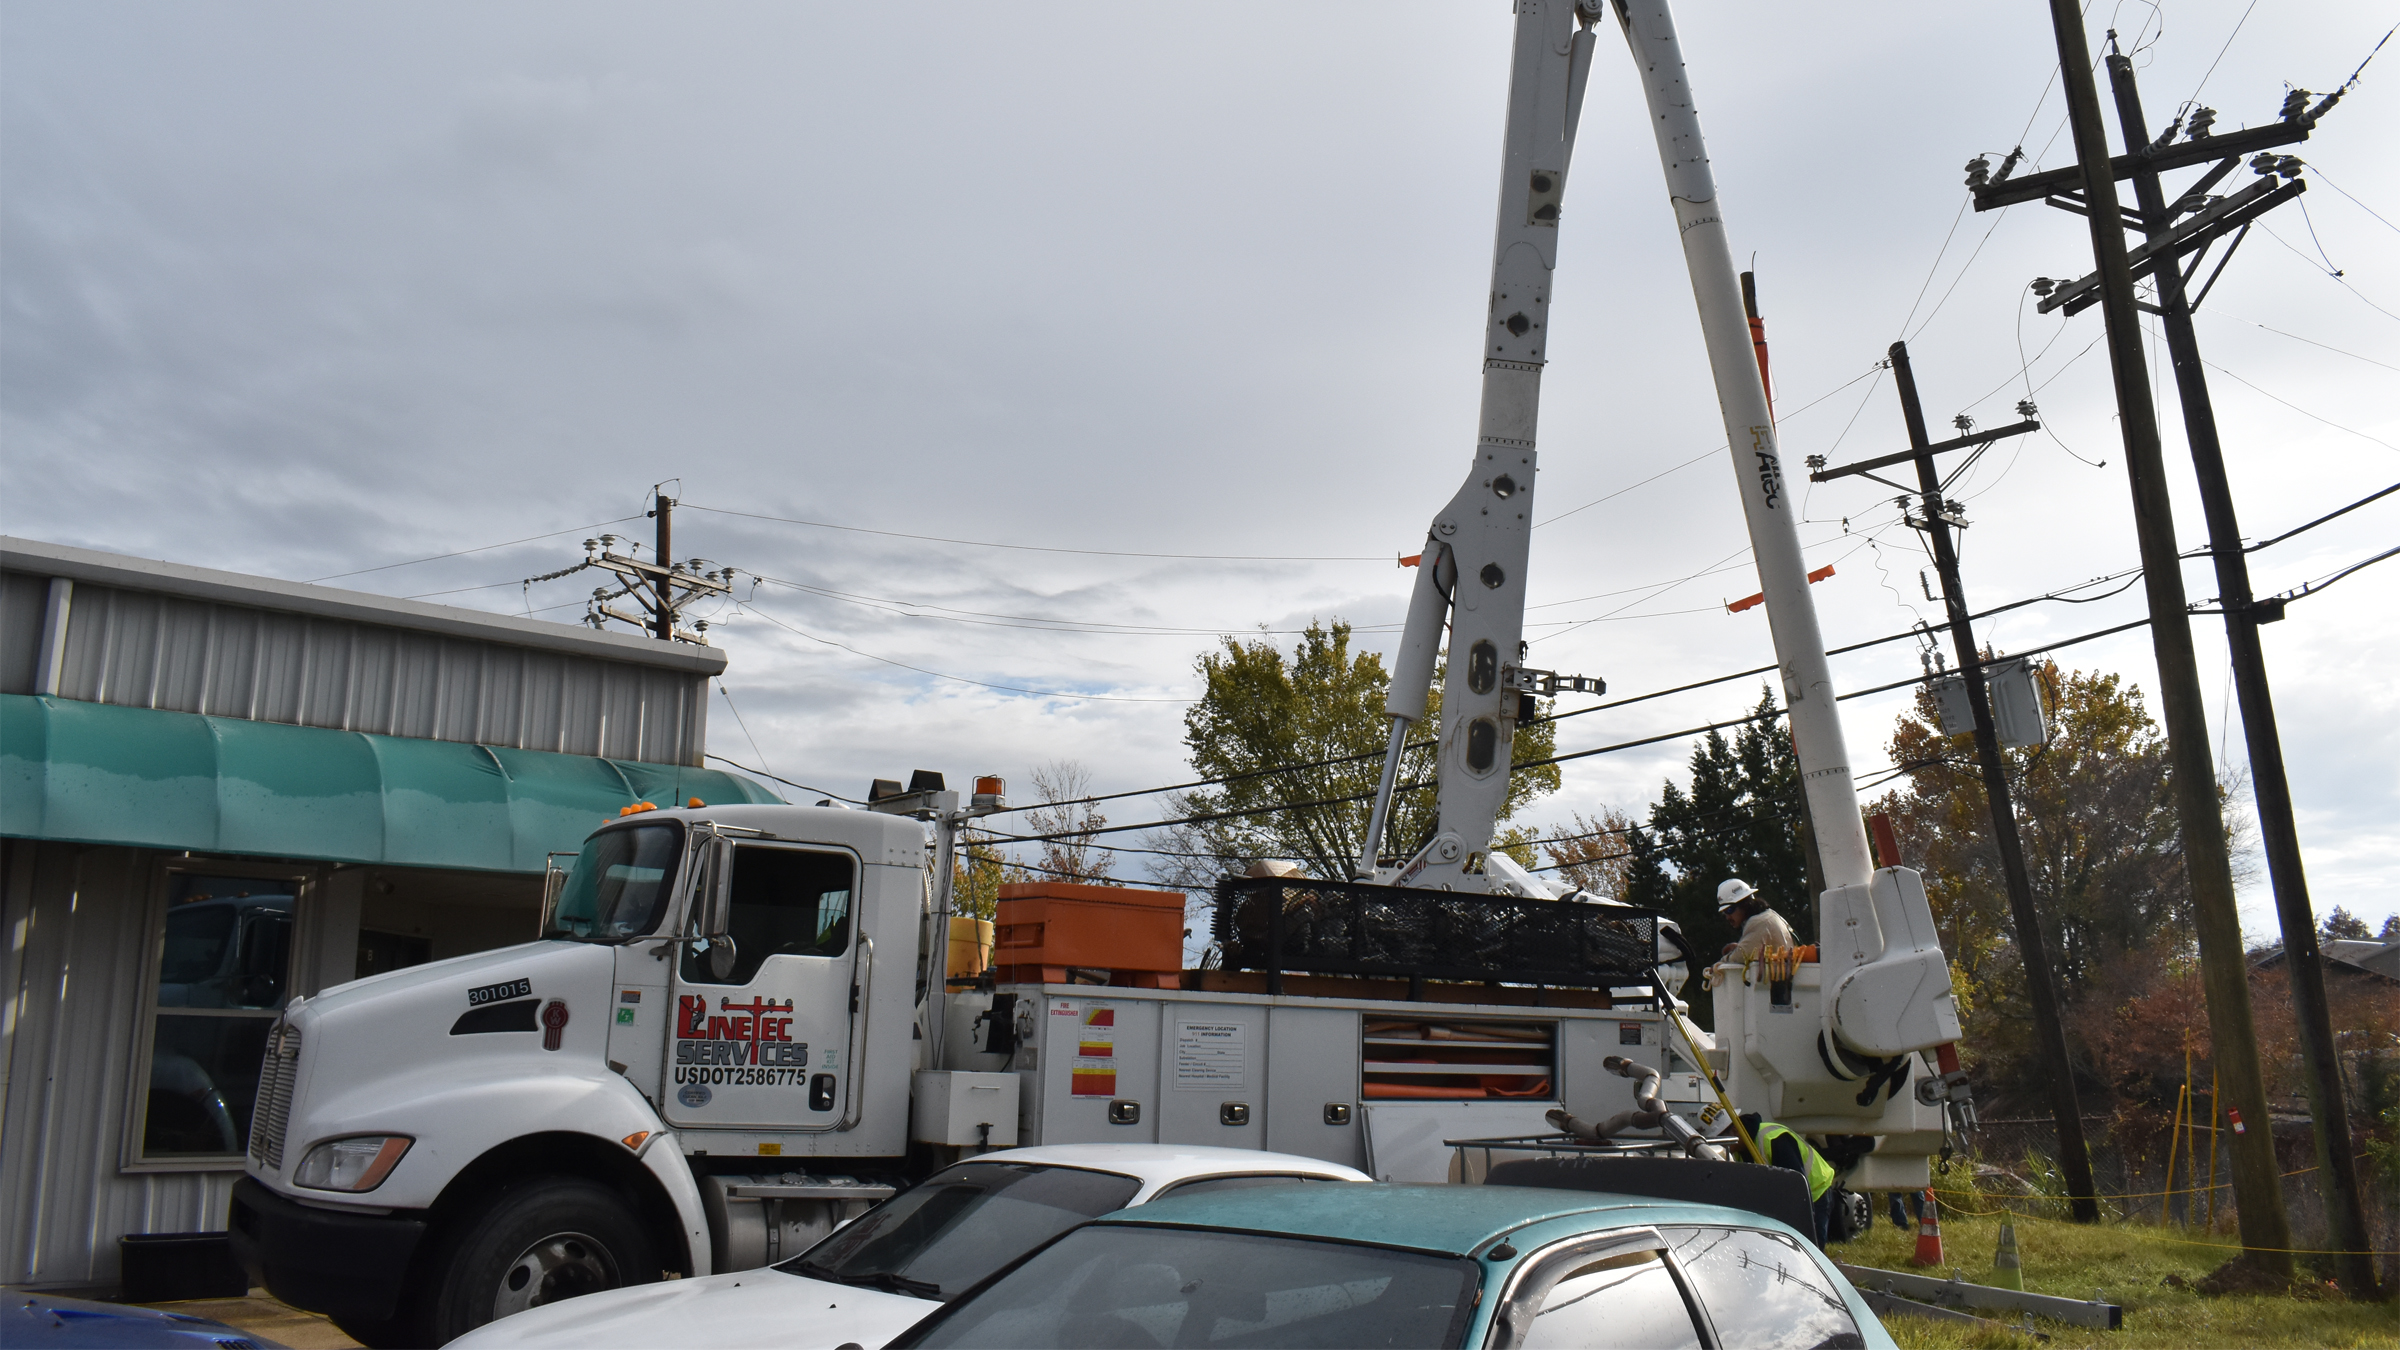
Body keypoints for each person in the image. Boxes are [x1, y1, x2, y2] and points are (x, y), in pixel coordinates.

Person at [1740, 1111, 1836, 1246]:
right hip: (1789, 1198)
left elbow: (1796, 1184)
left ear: (1733, 1130)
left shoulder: (1773, 1138)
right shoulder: (1740, 1149)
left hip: (1815, 1191)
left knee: (1810, 1248)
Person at [1703, 878, 1796, 988]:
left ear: (1744, 904)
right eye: (1724, 912)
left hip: (1778, 989)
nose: (1727, 917)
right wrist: (1738, 947)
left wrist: (1720, 963)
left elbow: (1740, 957)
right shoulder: (1767, 917)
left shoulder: (1758, 922)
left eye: (1729, 910)